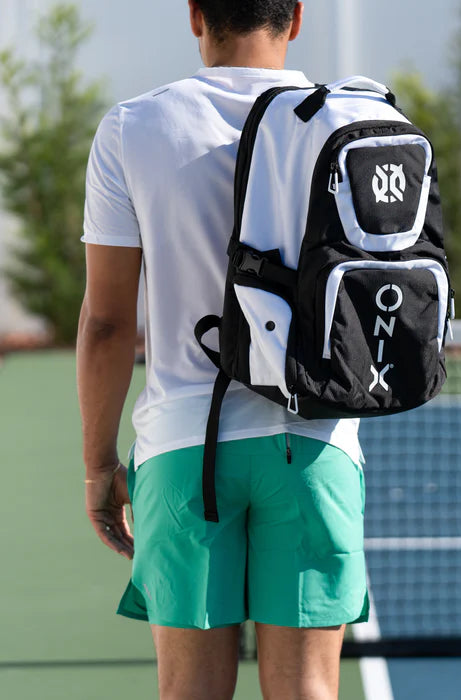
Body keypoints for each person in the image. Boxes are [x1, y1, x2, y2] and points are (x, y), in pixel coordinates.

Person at [76, 2, 368, 698]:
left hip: (184, 453)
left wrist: (97, 467)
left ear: (195, 14)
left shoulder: (134, 128)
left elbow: (108, 323)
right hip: (316, 442)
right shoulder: (347, 123)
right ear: (295, 17)